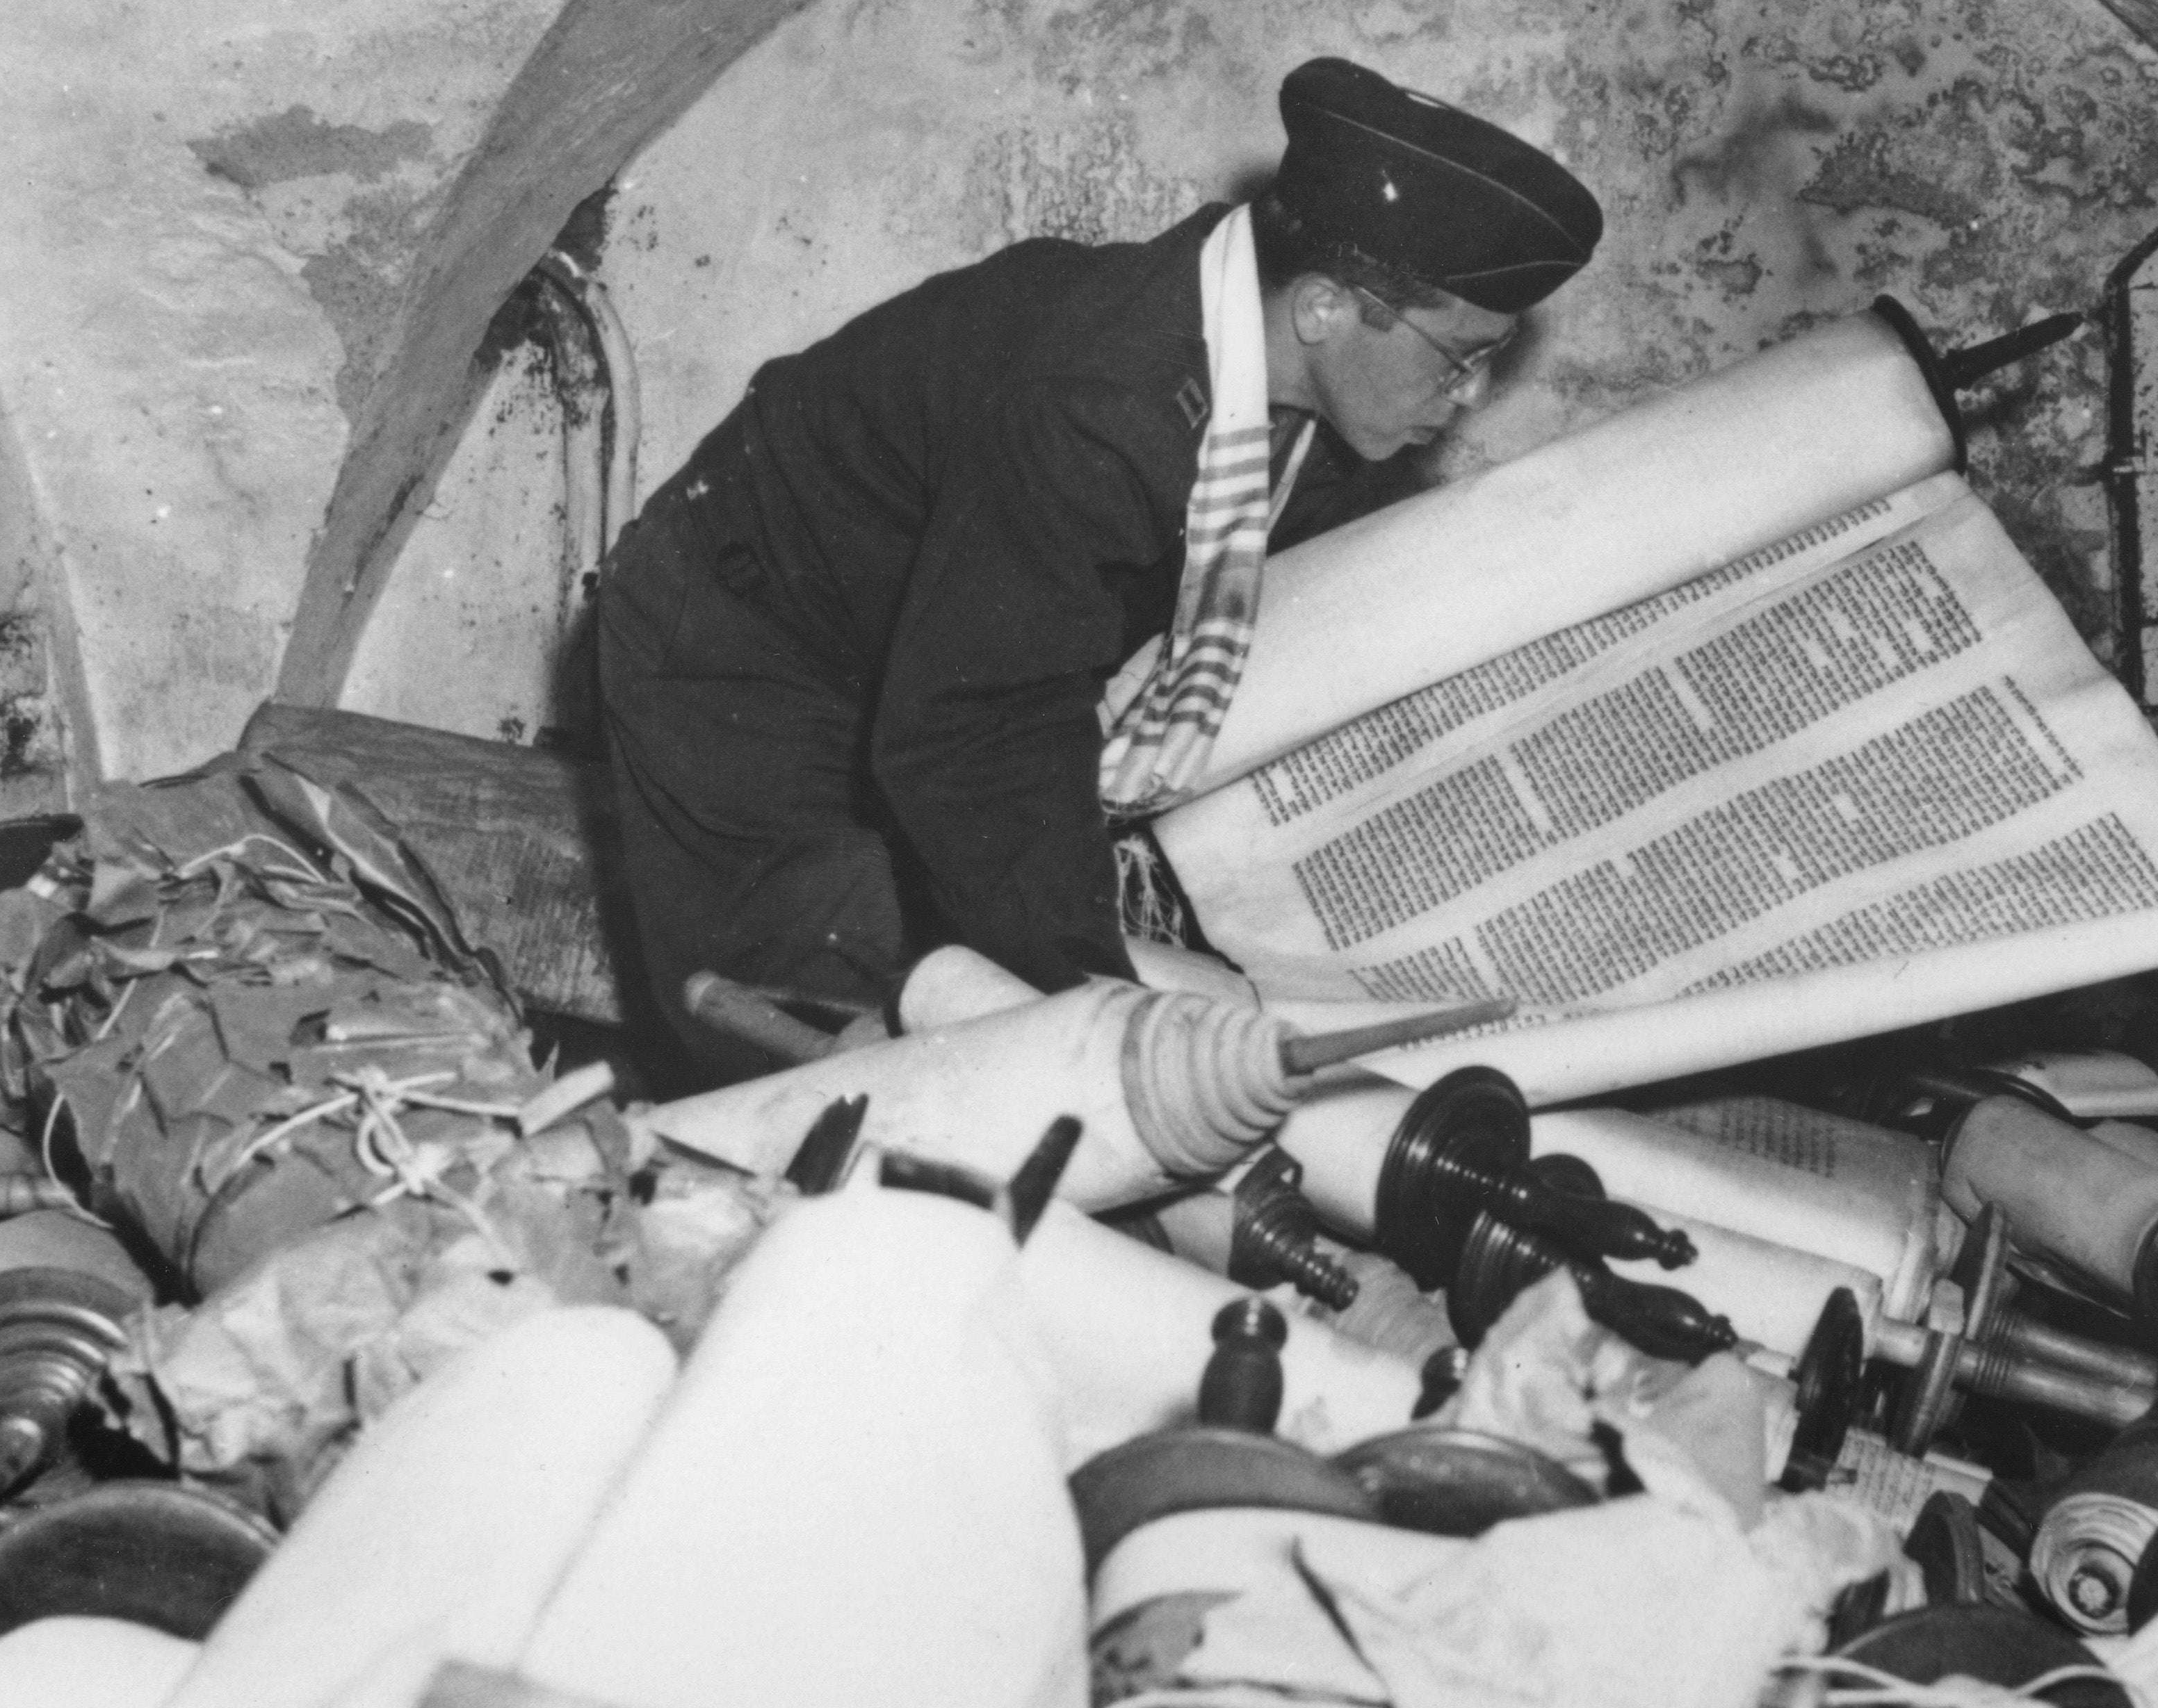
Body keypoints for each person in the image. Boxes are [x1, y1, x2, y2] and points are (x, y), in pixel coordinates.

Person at [594, 56, 1602, 1084]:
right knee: (821, 1043)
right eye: (1457, 357)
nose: (1469, 396)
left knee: (970, 998)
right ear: (1327, 310)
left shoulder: (1307, 407)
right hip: (743, 641)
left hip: (913, 653)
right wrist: (1093, 1008)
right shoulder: (1096, 403)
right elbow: (975, 731)